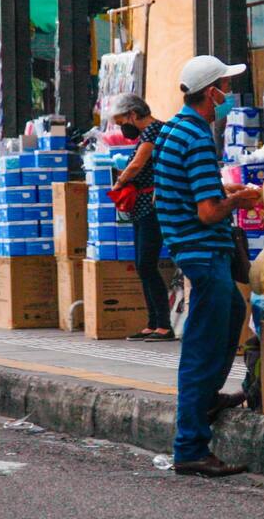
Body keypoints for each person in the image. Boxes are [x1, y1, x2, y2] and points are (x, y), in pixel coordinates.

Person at [153, 55, 263, 478]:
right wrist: (237, 200)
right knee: (201, 347)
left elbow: (190, 187)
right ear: (210, 92)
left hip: (190, 247)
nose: (229, 96)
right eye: (225, 87)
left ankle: (209, 399)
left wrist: (225, 189)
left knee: (234, 314)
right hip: (202, 248)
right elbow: (207, 212)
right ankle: (191, 447)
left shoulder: (175, 128)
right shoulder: (197, 136)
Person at [110, 93, 171, 342]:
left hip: (152, 206)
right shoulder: (149, 132)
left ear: (133, 115)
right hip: (142, 205)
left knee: (147, 263)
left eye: (121, 121)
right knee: (141, 264)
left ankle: (164, 325)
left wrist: (119, 181)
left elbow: (137, 164)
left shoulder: (154, 131)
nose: (121, 127)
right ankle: (152, 322)